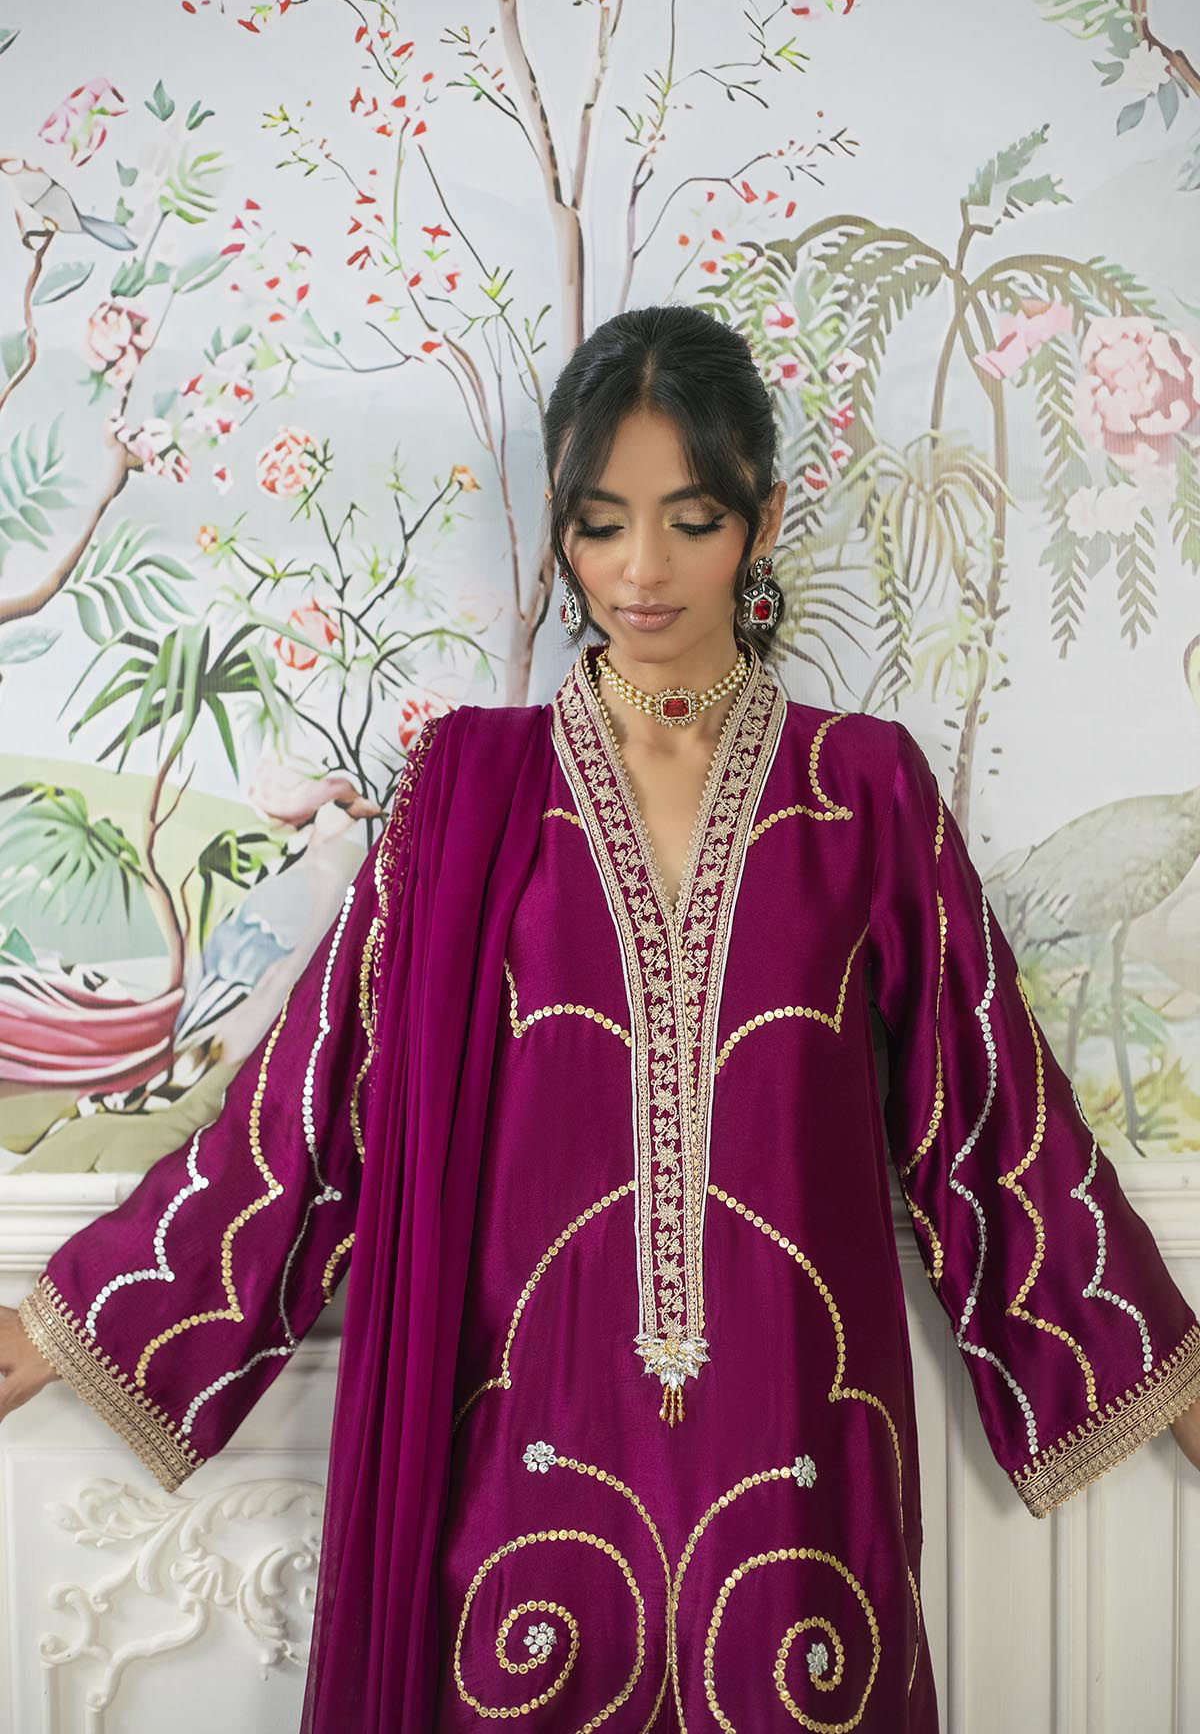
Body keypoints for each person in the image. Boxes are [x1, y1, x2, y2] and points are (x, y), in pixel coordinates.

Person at [2, 304, 1198, 1733]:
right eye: (601, 523)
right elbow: (321, 1095)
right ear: (563, 530)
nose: (642, 571)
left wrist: (1174, 1378)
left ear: (759, 522)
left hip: (799, 1463)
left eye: (692, 522)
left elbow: (988, 1114)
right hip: (522, 1461)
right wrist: (66, 1328)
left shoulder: (863, 793)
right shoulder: (470, 793)